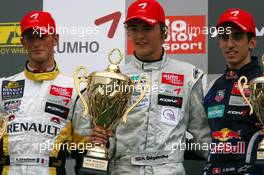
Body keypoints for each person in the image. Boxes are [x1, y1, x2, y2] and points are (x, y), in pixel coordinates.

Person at [87, 0, 211, 174]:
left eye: (147, 28)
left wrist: (229, 163)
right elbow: (102, 134)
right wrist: (103, 143)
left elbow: (202, 135)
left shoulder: (189, 75)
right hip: (124, 170)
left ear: (163, 32)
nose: (139, 36)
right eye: (133, 29)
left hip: (168, 169)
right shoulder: (114, 77)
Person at [0, 11, 90, 175]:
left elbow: (83, 149)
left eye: (42, 36)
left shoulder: (76, 89)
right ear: (22, 42)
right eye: (31, 38)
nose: (36, 43)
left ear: (55, 39)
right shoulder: (3, 86)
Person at [203, 8, 264, 175]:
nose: (230, 44)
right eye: (224, 38)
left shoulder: (261, 83)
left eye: (237, 37)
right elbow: (203, 134)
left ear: (252, 42)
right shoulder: (212, 86)